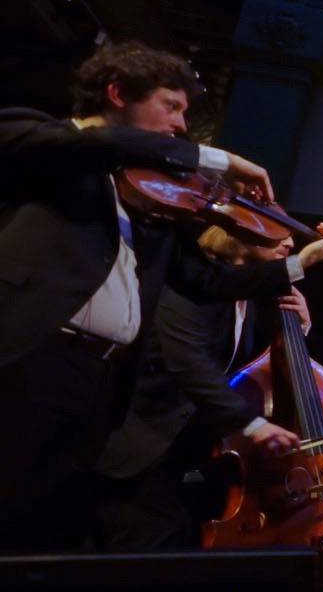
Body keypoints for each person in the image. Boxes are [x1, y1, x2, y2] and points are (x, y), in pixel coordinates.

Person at [0, 40, 323, 552]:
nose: (182, 125)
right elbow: (78, 146)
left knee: (37, 532)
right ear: (117, 93)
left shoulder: (144, 201)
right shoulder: (40, 138)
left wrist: (301, 262)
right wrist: (213, 157)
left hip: (96, 384)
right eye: (172, 106)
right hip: (33, 360)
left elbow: (207, 283)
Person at [93, 226, 310, 550]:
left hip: (186, 455)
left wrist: (299, 330)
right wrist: (253, 425)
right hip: (141, 449)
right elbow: (188, 363)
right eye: (279, 234)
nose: (291, 243)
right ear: (241, 233)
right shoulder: (193, 286)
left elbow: (244, 370)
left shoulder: (245, 301)